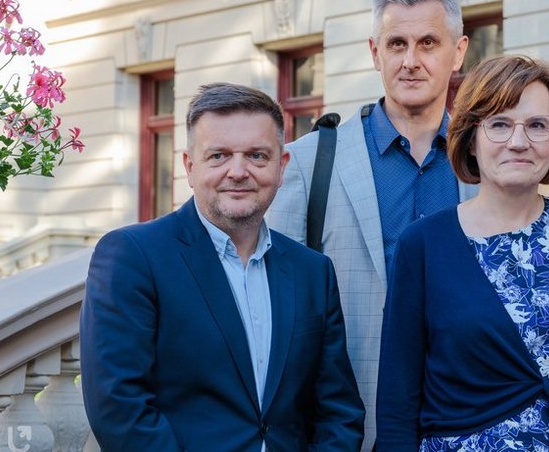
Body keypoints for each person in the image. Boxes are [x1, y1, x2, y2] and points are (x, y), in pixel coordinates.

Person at [376, 54, 549, 451]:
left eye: (537, 125)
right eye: (500, 124)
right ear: (470, 138)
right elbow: (397, 400)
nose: (518, 142)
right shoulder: (423, 245)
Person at [81, 83, 365, 451]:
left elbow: (339, 412)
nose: (238, 171)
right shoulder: (133, 256)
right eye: (219, 156)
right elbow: (119, 407)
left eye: (257, 156)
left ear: (282, 166)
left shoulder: (312, 272)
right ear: (190, 167)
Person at [265, 0, 476, 451]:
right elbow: (279, 309)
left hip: (465, 420)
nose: (411, 60)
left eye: (428, 43)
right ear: (375, 53)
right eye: (397, 44)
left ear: (458, 52)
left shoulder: (485, 164)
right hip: (351, 427)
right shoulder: (309, 162)